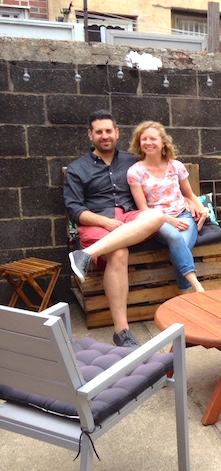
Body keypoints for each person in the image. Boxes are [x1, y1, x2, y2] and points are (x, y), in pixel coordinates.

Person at [64, 110, 165, 348]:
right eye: (99, 132)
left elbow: (166, 171)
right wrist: (105, 222)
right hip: (96, 222)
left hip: (129, 216)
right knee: (119, 252)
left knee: (157, 214)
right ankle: (122, 332)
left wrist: (192, 202)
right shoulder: (77, 169)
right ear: (90, 135)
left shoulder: (132, 161)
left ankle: (85, 256)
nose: (105, 136)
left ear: (117, 133)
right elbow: (75, 210)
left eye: (109, 131)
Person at [127, 121, 208, 293]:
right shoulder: (135, 172)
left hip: (184, 215)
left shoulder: (176, 166)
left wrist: (203, 209)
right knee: (175, 238)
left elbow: (190, 194)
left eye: (153, 139)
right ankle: (197, 287)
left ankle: (184, 295)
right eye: (144, 139)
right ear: (139, 143)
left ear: (163, 142)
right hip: (157, 221)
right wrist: (168, 219)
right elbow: (143, 208)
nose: (148, 142)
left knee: (179, 247)